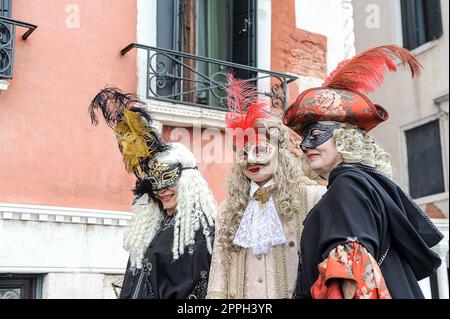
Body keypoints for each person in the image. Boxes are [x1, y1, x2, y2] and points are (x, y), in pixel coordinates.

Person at [282, 45, 444, 299]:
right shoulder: (366, 183)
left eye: (315, 135)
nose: (304, 145)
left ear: (345, 138)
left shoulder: (347, 186)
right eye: (303, 138)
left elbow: (350, 277)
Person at [88, 87, 216, 299]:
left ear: (187, 180)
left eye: (168, 179)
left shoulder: (202, 230)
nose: (160, 189)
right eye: (154, 183)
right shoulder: (154, 222)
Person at [206, 75, 326, 299]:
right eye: (244, 152)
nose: (251, 160)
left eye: (260, 150)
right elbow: (219, 274)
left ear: (279, 152)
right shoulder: (227, 209)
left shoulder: (313, 198)